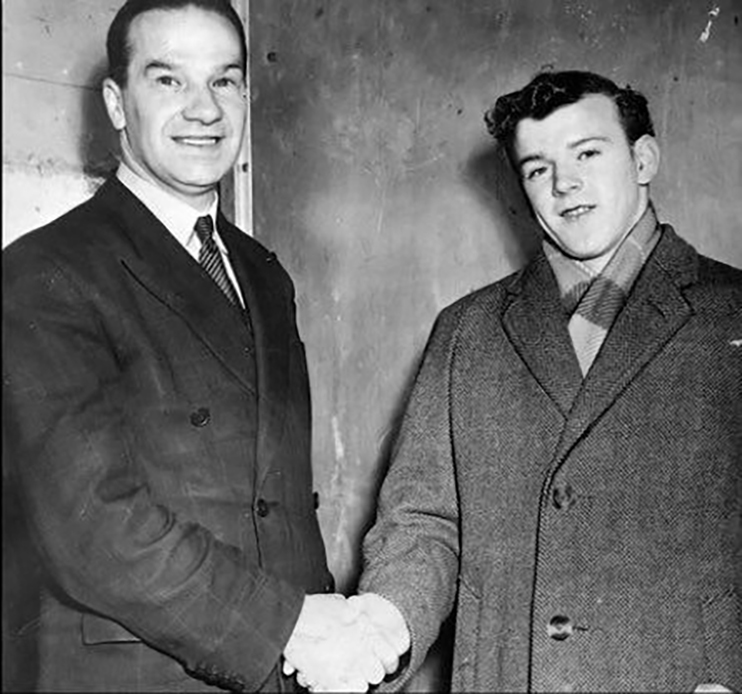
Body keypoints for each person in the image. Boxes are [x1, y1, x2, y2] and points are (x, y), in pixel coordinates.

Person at [2, 1, 406, 691]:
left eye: (224, 81)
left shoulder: (263, 273)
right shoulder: (46, 270)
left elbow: (276, 505)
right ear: (116, 103)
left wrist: (335, 640)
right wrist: (292, 627)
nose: (204, 110)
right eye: (168, 80)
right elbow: (91, 527)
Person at [352, 70, 742, 692]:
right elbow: (423, 524)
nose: (564, 184)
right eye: (537, 168)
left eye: (587, 153)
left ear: (643, 159)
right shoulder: (467, 331)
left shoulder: (732, 314)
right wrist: (382, 624)